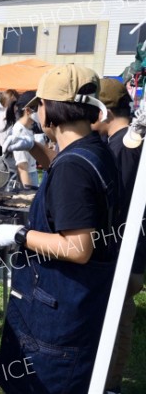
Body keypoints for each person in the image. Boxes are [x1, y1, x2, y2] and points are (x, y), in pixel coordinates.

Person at [0, 65, 119, 393]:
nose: (37, 113)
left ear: (52, 108)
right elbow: (66, 179)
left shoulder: (74, 167)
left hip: (59, 313)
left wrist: (19, 235)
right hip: (79, 302)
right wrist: (37, 145)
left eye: (39, 106)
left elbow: (78, 247)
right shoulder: (94, 149)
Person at [92, 78, 145, 394]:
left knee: (117, 322)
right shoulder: (121, 142)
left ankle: (108, 385)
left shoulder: (125, 146)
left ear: (105, 111)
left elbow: (118, 206)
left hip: (124, 253)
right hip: (128, 250)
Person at [4, 90, 40, 187]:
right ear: (28, 110)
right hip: (27, 177)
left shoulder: (30, 128)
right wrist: (29, 194)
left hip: (32, 172)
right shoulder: (19, 131)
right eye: (39, 109)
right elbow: (22, 167)